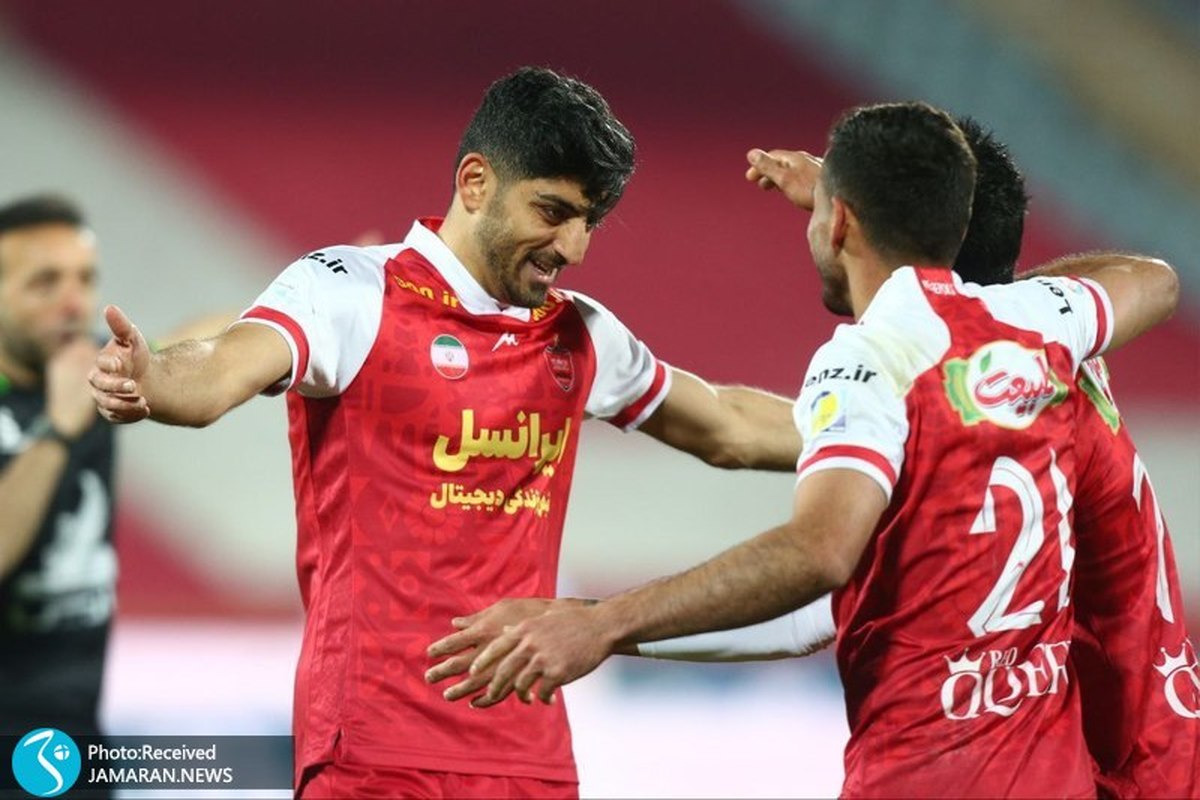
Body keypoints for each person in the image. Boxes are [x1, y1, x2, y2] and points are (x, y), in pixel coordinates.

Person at [87, 66, 800, 799]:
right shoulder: (351, 290)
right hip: (373, 752)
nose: (574, 247)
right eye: (553, 211)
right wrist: (153, 376)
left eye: (588, 221)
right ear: (475, 182)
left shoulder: (579, 335)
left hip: (531, 762)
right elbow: (219, 371)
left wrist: (873, 431)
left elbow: (730, 426)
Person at [445, 103, 1180, 797]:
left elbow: (819, 553)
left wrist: (601, 624)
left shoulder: (872, 357)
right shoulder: (1042, 338)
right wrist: (603, 629)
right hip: (1103, 758)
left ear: (840, 222)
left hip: (941, 773)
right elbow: (1156, 280)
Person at [0, 195, 113, 741]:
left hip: (74, 736)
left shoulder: (91, 371)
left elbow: (202, 340)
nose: (74, 304)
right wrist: (60, 425)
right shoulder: (72, 398)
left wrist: (300, 311)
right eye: (45, 283)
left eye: (85, 280)